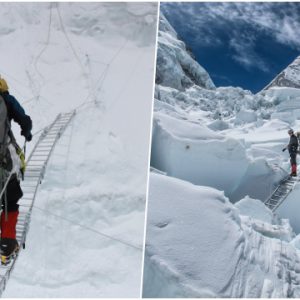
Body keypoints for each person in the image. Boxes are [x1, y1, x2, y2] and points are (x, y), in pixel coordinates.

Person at [0, 77, 32, 264]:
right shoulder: (7, 100)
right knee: (10, 201)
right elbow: (25, 121)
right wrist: (26, 133)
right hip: (4, 162)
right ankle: (7, 245)